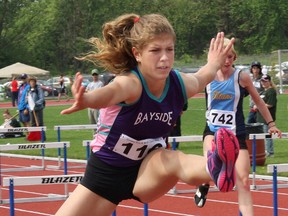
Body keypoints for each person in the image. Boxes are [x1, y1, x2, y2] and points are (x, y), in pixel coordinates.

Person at [55, 14, 238, 216]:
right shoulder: (131, 83)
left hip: (148, 170)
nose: (165, 57)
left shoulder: (179, 84)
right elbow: (110, 93)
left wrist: (214, 62)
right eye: (155, 50)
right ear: (137, 54)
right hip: (106, 174)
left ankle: (217, 166)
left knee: (173, 159)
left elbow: (203, 76)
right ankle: (216, 166)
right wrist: (86, 100)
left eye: (170, 49)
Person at [194, 38, 282, 216]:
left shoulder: (241, 77)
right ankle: (204, 183)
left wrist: (271, 124)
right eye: (224, 57)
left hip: (236, 134)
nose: (227, 61)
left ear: (235, 58)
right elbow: (183, 91)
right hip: (212, 130)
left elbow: (259, 101)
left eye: (231, 57)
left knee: (243, 180)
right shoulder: (206, 75)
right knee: (212, 162)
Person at [255, 74, 277, 157]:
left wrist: (258, 106)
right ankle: (266, 150)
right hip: (261, 117)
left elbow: (270, 104)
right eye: (262, 81)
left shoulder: (271, 91)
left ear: (269, 82)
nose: (263, 83)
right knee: (264, 135)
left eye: (265, 81)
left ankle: (270, 152)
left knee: (268, 135)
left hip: (267, 118)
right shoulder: (263, 91)